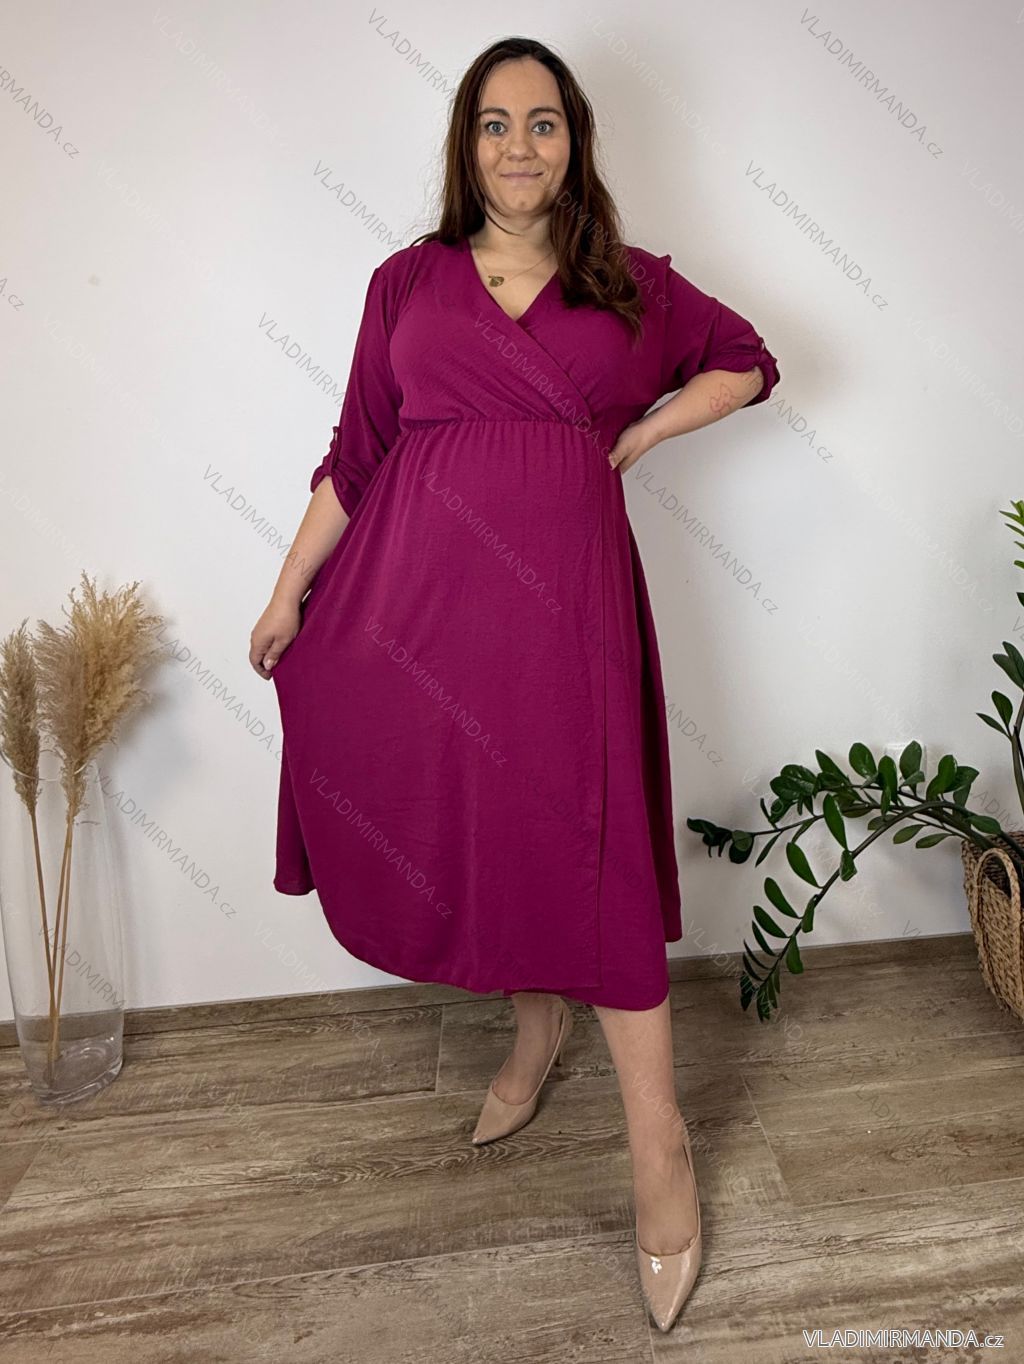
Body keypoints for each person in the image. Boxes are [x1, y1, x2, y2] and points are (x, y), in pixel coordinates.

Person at [249, 36, 779, 1333]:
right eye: (496, 122)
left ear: (575, 140)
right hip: (420, 618)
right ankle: (535, 1034)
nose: (520, 145)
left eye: (544, 122)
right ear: (466, 144)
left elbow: (752, 358)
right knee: (484, 834)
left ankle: (660, 1149)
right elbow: (356, 455)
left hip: (566, 622)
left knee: (592, 855)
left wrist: (638, 432)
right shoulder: (405, 283)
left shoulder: (629, 285)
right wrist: (287, 593)